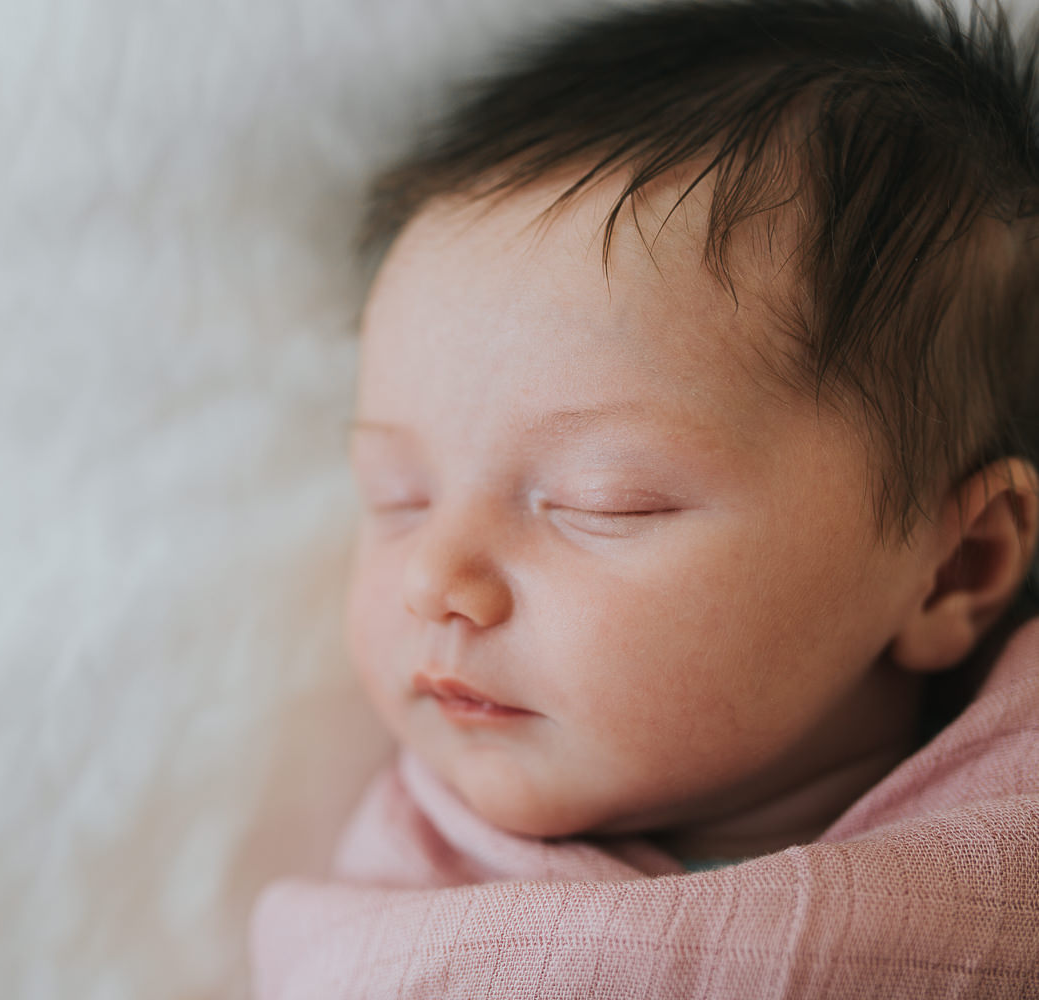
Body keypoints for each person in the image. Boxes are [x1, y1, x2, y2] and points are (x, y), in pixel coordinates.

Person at [251, 0, 1039, 995]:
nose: (435, 580)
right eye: (397, 496)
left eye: (603, 501)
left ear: (952, 569)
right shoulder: (407, 920)